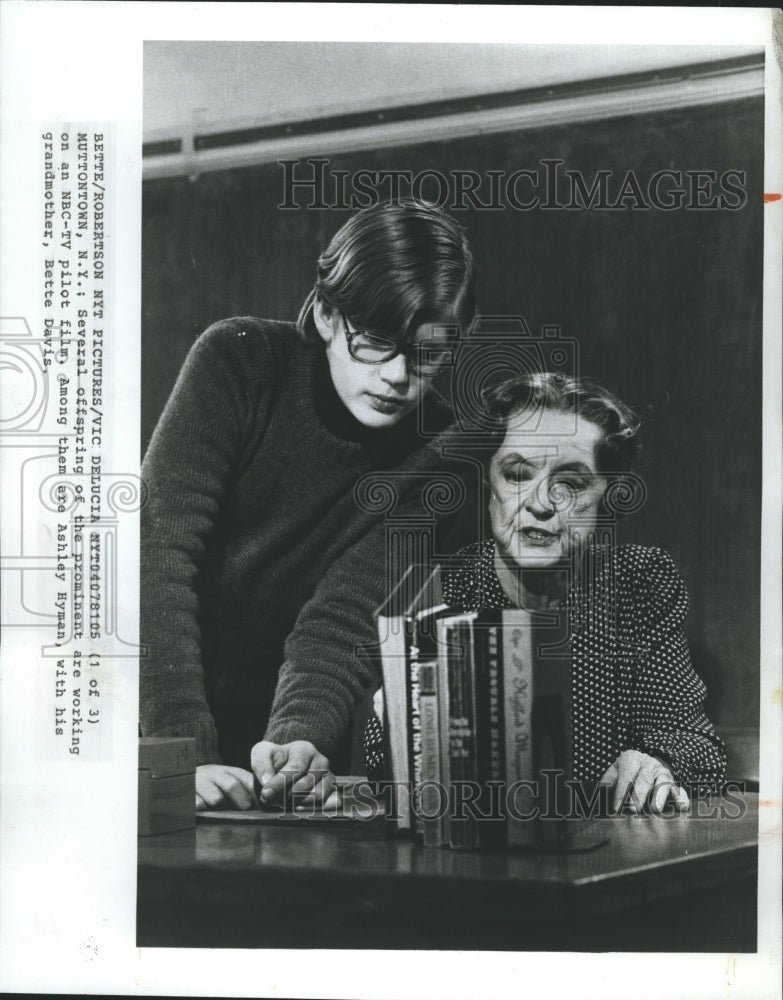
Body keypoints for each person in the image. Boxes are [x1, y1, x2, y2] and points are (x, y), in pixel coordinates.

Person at [140, 200, 476, 811]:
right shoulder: (237, 361)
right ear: (325, 313)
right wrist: (176, 750)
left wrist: (299, 742)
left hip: (275, 732)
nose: (400, 377)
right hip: (149, 706)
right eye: (375, 342)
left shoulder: (442, 451)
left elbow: (346, 614)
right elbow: (156, 561)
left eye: (428, 353)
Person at [364, 372, 727, 813]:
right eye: (517, 474)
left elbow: (696, 742)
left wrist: (656, 761)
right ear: (489, 487)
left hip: (601, 859)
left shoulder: (637, 582)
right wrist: (397, 728)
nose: (540, 503)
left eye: (571, 484)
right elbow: (385, 774)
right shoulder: (444, 589)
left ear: (606, 497)